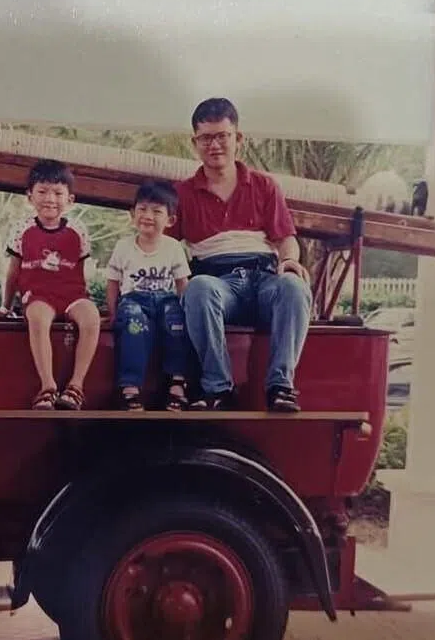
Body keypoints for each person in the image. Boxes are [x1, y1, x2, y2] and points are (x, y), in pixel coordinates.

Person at [168, 98, 312, 413]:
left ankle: (281, 387)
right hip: (218, 284)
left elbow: (286, 239)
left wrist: (289, 261)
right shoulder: (181, 194)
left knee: (294, 287)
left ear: (238, 139)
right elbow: (162, 247)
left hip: (264, 280)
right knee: (198, 288)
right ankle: (218, 389)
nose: (215, 144)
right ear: (195, 143)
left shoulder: (264, 186)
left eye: (223, 136)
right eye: (206, 137)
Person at [0, 159, 101, 410]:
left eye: (58, 193)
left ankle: (75, 387)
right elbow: (13, 272)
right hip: (39, 295)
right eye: (42, 191)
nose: (50, 199)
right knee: (37, 317)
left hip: (72, 294)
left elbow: (81, 271)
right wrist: (4, 307)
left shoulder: (79, 230)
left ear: (70, 199)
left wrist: (88, 301)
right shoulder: (22, 228)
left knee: (91, 317)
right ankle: (48, 387)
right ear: (29, 196)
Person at [105, 179, 191, 411]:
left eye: (156, 211)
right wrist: (113, 313)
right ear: (132, 214)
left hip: (166, 299)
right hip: (134, 300)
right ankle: (130, 388)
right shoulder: (124, 246)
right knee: (133, 322)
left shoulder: (173, 247)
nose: (148, 216)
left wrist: (188, 313)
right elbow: (113, 282)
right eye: (142, 209)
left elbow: (183, 284)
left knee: (176, 320)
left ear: (170, 220)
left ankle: (177, 383)